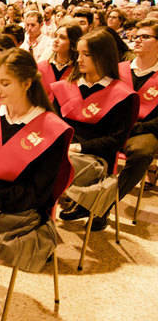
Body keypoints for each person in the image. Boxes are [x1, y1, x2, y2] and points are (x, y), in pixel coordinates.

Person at [0, 48, 73, 273]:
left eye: (5, 83)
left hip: (16, 213)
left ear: (27, 83)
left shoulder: (51, 128)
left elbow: (37, 194)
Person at [54, 29, 139, 231]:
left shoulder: (121, 95)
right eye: (78, 53)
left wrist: (78, 148)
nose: (79, 60)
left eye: (87, 54)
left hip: (95, 158)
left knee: (54, 168)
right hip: (64, 152)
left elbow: (115, 140)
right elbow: (53, 125)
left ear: (103, 56)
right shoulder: (66, 87)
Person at [112, 20, 158, 230]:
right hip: (115, 126)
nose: (137, 39)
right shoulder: (120, 69)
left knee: (141, 152)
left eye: (145, 36)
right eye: (136, 35)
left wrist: (137, 128)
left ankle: (106, 203)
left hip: (145, 129)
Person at [38, 24, 82, 99]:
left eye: (62, 37)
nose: (56, 40)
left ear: (73, 43)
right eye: (55, 36)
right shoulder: (41, 67)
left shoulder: (79, 69)